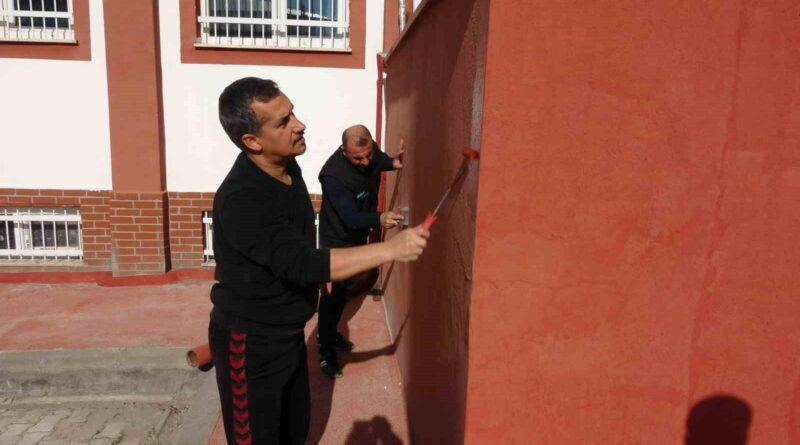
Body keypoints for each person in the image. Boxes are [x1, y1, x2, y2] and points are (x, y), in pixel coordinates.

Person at [208, 77, 429, 445]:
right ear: (252, 141)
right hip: (250, 345)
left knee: (296, 430)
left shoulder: (288, 169)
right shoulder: (242, 198)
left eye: (292, 112)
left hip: (289, 336)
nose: (299, 124)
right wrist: (391, 249)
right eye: (283, 122)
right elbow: (303, 262)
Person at [316, 125, 403, 379]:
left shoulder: (369, 152)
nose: (365, 162)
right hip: (337, 241)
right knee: (332, 297)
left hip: (355, 237)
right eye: (358, 158)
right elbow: (351, 217)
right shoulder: (333, 176)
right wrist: (379, 218)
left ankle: (331, 334)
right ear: (344, 151)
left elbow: (380, 160)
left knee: (344, 292)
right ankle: (325, 351)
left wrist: (394, 162)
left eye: (368, 155)